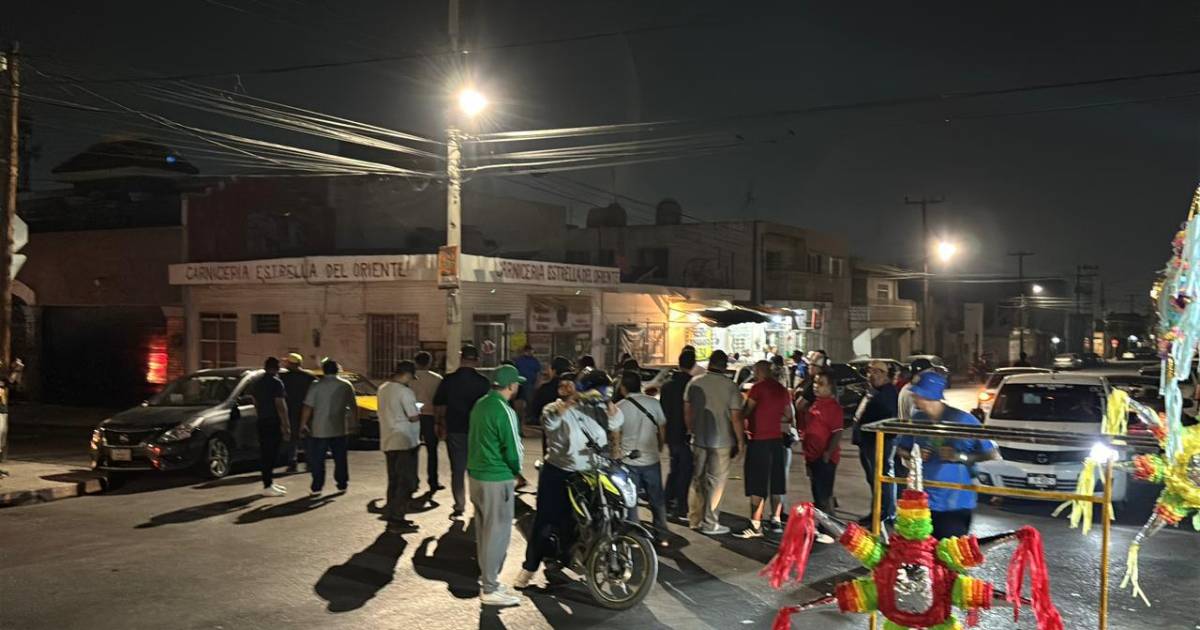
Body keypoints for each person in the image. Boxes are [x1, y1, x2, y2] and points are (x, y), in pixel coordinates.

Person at [516, 370, 624, 588]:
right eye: (562, 385)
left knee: (586, 520)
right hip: (558, 472)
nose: (566, 388)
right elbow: (550, 421)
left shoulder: (595, 409)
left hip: (590, 473)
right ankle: (529, 568)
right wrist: (573, 400)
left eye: (570, 384)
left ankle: (575, 560)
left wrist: (606, 399)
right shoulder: (553, 408)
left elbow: (616, 421)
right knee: (545, 522)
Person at [896, 371, 998, 538]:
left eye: (916, 394)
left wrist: (959, 457)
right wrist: (914, 456)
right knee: (922, 551)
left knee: (949, 551)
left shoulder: (963, 420)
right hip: (923, 501)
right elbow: (901, 448)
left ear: (928, 395)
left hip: (955, 504)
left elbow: (992, 454)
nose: (913, 397)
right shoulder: (917, 419)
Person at [466, 364, 527, 607]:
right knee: (497, 534)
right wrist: (517, 472)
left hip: (476, 476)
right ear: (511, 385)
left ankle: (488, 580)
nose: (518, 386)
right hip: (496, 477)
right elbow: (513, 450)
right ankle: (490, 588)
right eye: (517, 383)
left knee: (484, 532)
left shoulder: (480, 404)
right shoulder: (505, 410)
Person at [685, 349, 744, 535]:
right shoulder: (730, 386)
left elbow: (687, 411)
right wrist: (740, 441)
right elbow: (736, 417)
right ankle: (710, 523)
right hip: (722, 440)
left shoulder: (694, 382)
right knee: (716, 482)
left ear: (709, 363)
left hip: (698, 438)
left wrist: (691, 430)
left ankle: (694, 519)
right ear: (725, 366)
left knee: (697, 479)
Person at [434, 346, 492, 518]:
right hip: (478, 432)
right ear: (476, 360)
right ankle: (478, 504)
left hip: (455, 429)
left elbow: (439, 404)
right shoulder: (483, 382)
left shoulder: (449, 380)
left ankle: (459, 505)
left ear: (461, 358)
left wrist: (439, 424)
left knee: (458, 470)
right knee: (477, 470)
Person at [736, 360, 791, 538]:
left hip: (759, 440)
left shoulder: (757, 388)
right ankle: (776, 520)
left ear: (760, 371)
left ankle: (755, 524)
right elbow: (788, 415)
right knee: (776, 482)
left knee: (757, 483)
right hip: (777, 440)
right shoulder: (782, 390)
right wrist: (773, 418)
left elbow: (746, 411)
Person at [614, 369, 669, 545]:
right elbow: (662, 428)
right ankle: (662, 535)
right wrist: (660, 447)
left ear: (623, 388)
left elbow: (616, 435)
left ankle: (634, 536)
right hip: (651, 459)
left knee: (630, 501)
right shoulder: (653, 403)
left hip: (628, 461)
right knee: (657, 499)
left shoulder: (619, 407)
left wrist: (616, 454)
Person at [299, 358, 357, 495]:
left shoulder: (316, 385)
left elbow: (308, 406)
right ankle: (342, 484)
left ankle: (317, 487)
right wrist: (354, 423)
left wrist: (303, 424)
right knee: (340, 458)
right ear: (337, 370)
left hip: (319, 428)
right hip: (339, 427)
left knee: (318, 459)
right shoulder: (346, 385)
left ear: (323, 371)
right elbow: (353, 406)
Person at [853, 360, 900, 525]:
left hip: (880, 442)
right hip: (868, 442)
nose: (871, 375)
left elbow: (886, 418)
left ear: (885, 375)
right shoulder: (873, 391)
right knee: (873, 479)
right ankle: (877, 512)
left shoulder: (888, 393)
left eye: (876, 372)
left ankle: (886, 513)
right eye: (870, 371)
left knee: (882, 478)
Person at [378, 360, 422, 531]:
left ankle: (391, 514)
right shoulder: (405, 392)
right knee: (407, 482)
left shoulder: (383, 389)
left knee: (394, 480)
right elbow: (413, 416)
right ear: (407, 375)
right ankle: (397, 518)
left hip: (388, 439)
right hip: (405, 440)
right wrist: (418, 411)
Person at [803, 372, 843, 543]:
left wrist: (827, 453)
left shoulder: (833, 408)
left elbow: (837, 432)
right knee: (818, 494)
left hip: (825, 458)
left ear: (830, 387)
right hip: (812, 457)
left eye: (821, 383)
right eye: (815, 383)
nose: (816, 386)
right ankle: (825, 527)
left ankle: (828, 531)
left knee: (823, 496)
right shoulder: (814, 404)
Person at [661, 350, 697, 520]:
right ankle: (680, 506)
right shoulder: (693, 385)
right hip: (686, 434)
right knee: (685, 470)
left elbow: (662, 412)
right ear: (693, 364)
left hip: (670, 433)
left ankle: (667, 501)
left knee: (674, 468)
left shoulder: (667, 385)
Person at [250, 357, 290, 497]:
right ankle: (267, 485)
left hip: (262, 420)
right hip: (273, 421)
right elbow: (280, 405)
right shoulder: (276, 383)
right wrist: (286, 425)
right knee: (272, 454)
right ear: (276, 368)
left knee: (265, 452)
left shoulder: (257, 382)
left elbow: (255, 402)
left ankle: (269, 482)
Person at [410, 352, 443, 493]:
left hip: (413, 417)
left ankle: (413, 481)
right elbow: (440, 401)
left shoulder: (410, 379)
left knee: (412, 450)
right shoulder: (437, 379)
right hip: (430, 416)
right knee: (432, 451)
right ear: (430, 362)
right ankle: (433, 481)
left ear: (415, 362)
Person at [280, 352, 315, 473]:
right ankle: (310, 463)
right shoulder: (309, 377)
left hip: (290, 411)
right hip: (307, 410)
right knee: (307, 438)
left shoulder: (284, 378)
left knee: (292, 439)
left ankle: (292, 463)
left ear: (291, 364)